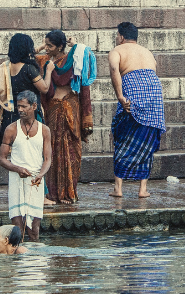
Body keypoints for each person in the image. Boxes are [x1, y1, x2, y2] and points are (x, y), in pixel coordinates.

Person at [108, 22, 166, 199]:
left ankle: (118, 188)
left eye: (117, 36)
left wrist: (120, 95)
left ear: (122, 36)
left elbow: (114, 70)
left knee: (123, 136)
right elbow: (154, 71)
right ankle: (142, 190)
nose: (117, 38)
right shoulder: (147, 51)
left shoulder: (117, 51)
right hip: (154, 91)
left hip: (132, 89)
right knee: (147, 139)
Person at [38, 29, 95, 205]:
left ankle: (69, 192)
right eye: (45, 44)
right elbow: (28, 54)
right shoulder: (46, 61)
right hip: (54, 110)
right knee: (52, 150)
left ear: (60, 46)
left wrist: (74, 44)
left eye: (50, 45)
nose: (46, 48)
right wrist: (43, 46)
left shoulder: (74, 59)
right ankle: (54, 193)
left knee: (72, 150)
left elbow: (85, 86)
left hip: (70, 108)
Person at [0, 91, 51, 242]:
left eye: (24, 106)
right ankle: (18, 262)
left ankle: (35, 264)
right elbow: (2, 159)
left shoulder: (44, 130)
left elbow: (47, 160)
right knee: (17, 230)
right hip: (17, 180)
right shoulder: (11, 129)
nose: (20, 110)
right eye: (18, 106)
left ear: (34, 106)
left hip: (35, 181)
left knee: (34, 231)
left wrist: (40, 175)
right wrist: (18, 169)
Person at [0, 33, 49, 149]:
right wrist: (49, 71)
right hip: (29, 115)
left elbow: (31, 52)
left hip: (12, 115)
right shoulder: (29, 69)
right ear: (26, 49)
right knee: (31, 150)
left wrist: (42, 46)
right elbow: (44, 88)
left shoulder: (7, 66)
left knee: (16, 152)